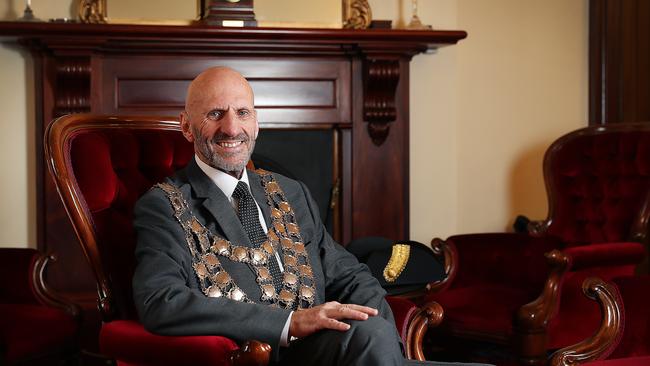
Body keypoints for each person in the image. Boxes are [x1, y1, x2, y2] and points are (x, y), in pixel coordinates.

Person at [132, 66, 483, 366]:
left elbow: (348, 273)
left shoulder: (289, 191)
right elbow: (161, 301)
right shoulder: (164, 205)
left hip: (340, 353)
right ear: (187, 126)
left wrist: (382, 331)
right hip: (260, 354)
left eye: (243, 112)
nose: (232, 128)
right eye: (214, 114)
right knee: (365, 333)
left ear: (256, 122)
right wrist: (289, 322)